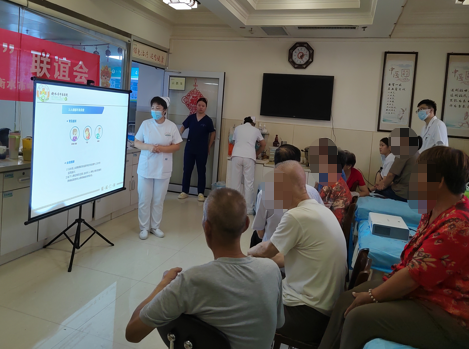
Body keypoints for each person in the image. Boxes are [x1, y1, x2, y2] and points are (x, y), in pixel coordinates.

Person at [319, 146, 469, 349]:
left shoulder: (462, 224)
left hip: (454, 318)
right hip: (427, 296)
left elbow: (413, 276)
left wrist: (372, 296)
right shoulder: (433, 211)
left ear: (439, 181)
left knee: (359, 317)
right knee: (346, 300)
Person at [125, 188, 285, 349]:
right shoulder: (271, 270)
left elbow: (132, 333)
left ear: (206, 227)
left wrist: (163, 285)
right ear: (246, 225)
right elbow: (278, 323)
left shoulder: (192, 281)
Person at [249, 161, 347, 345]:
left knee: (243, 303)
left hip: (306, 315)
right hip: (324, 312)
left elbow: (266, 249)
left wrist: (243, 256)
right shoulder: (321, 210)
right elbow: (285, 257)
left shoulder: (296, 216)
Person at [252, 144, 323, 244]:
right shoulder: (312, 192)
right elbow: (320, 224)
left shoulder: (265, 193)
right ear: (298, 165)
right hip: (303, 250)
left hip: (272, 249)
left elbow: (260, 233)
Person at [134, 97, 182, 240]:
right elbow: (137, 142)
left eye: (158, 108)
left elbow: (177, 145)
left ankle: (155, 227)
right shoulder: (146, 124)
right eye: (153, 108)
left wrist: (161, 148)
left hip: (163, 167)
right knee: (144, 199)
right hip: (146, 167)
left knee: (158, 200)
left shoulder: (171, 126)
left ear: (164, 110)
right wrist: (149, 147)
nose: (154, 111)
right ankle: (144, 228)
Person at [178, 98, 216, 202]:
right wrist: (179, 135)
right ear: (196, 106)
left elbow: (213, 133)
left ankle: (201, 193)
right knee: (187, 169)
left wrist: (209, 145)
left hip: (202, 149)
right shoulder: (191, 117)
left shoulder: (208, 120)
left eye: (203, 106)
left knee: (201, 170)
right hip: (190, 147)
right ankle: (184, 191)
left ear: (206, 107)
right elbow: (183, 127)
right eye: (199, 105)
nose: (201, 107)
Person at [309, 138, 352, 225]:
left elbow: (315, 207)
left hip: (331, 225)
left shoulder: (330, 184)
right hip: (336, 222)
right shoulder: (337, 179)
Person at [230, 116, 266, 214]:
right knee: (248, 184)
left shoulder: (237, 128)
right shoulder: (256, 130)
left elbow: (234, 142)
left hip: (236, 156)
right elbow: (263, 144)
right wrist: (256, 154)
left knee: (235, 183)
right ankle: (248, 209)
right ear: (253, 123)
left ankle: (234, 207)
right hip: (249, 157)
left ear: (244, 122)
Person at [374, 128, 419, 202]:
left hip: (403, 192)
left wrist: (381, 187)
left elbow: (391, 175)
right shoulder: (416, 152)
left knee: (377, 192)